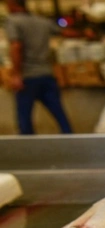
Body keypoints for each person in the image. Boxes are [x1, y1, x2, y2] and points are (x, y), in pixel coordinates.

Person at [4, 0, 73, 135]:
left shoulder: (13, 21)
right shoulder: (42, 21)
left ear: (13, 4)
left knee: (24, 118)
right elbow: (63, 32)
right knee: (59, 114)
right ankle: (71, 140)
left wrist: (16, 74)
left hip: (28, 76)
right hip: (47, 74)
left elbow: (16, 46)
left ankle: (27, 150)